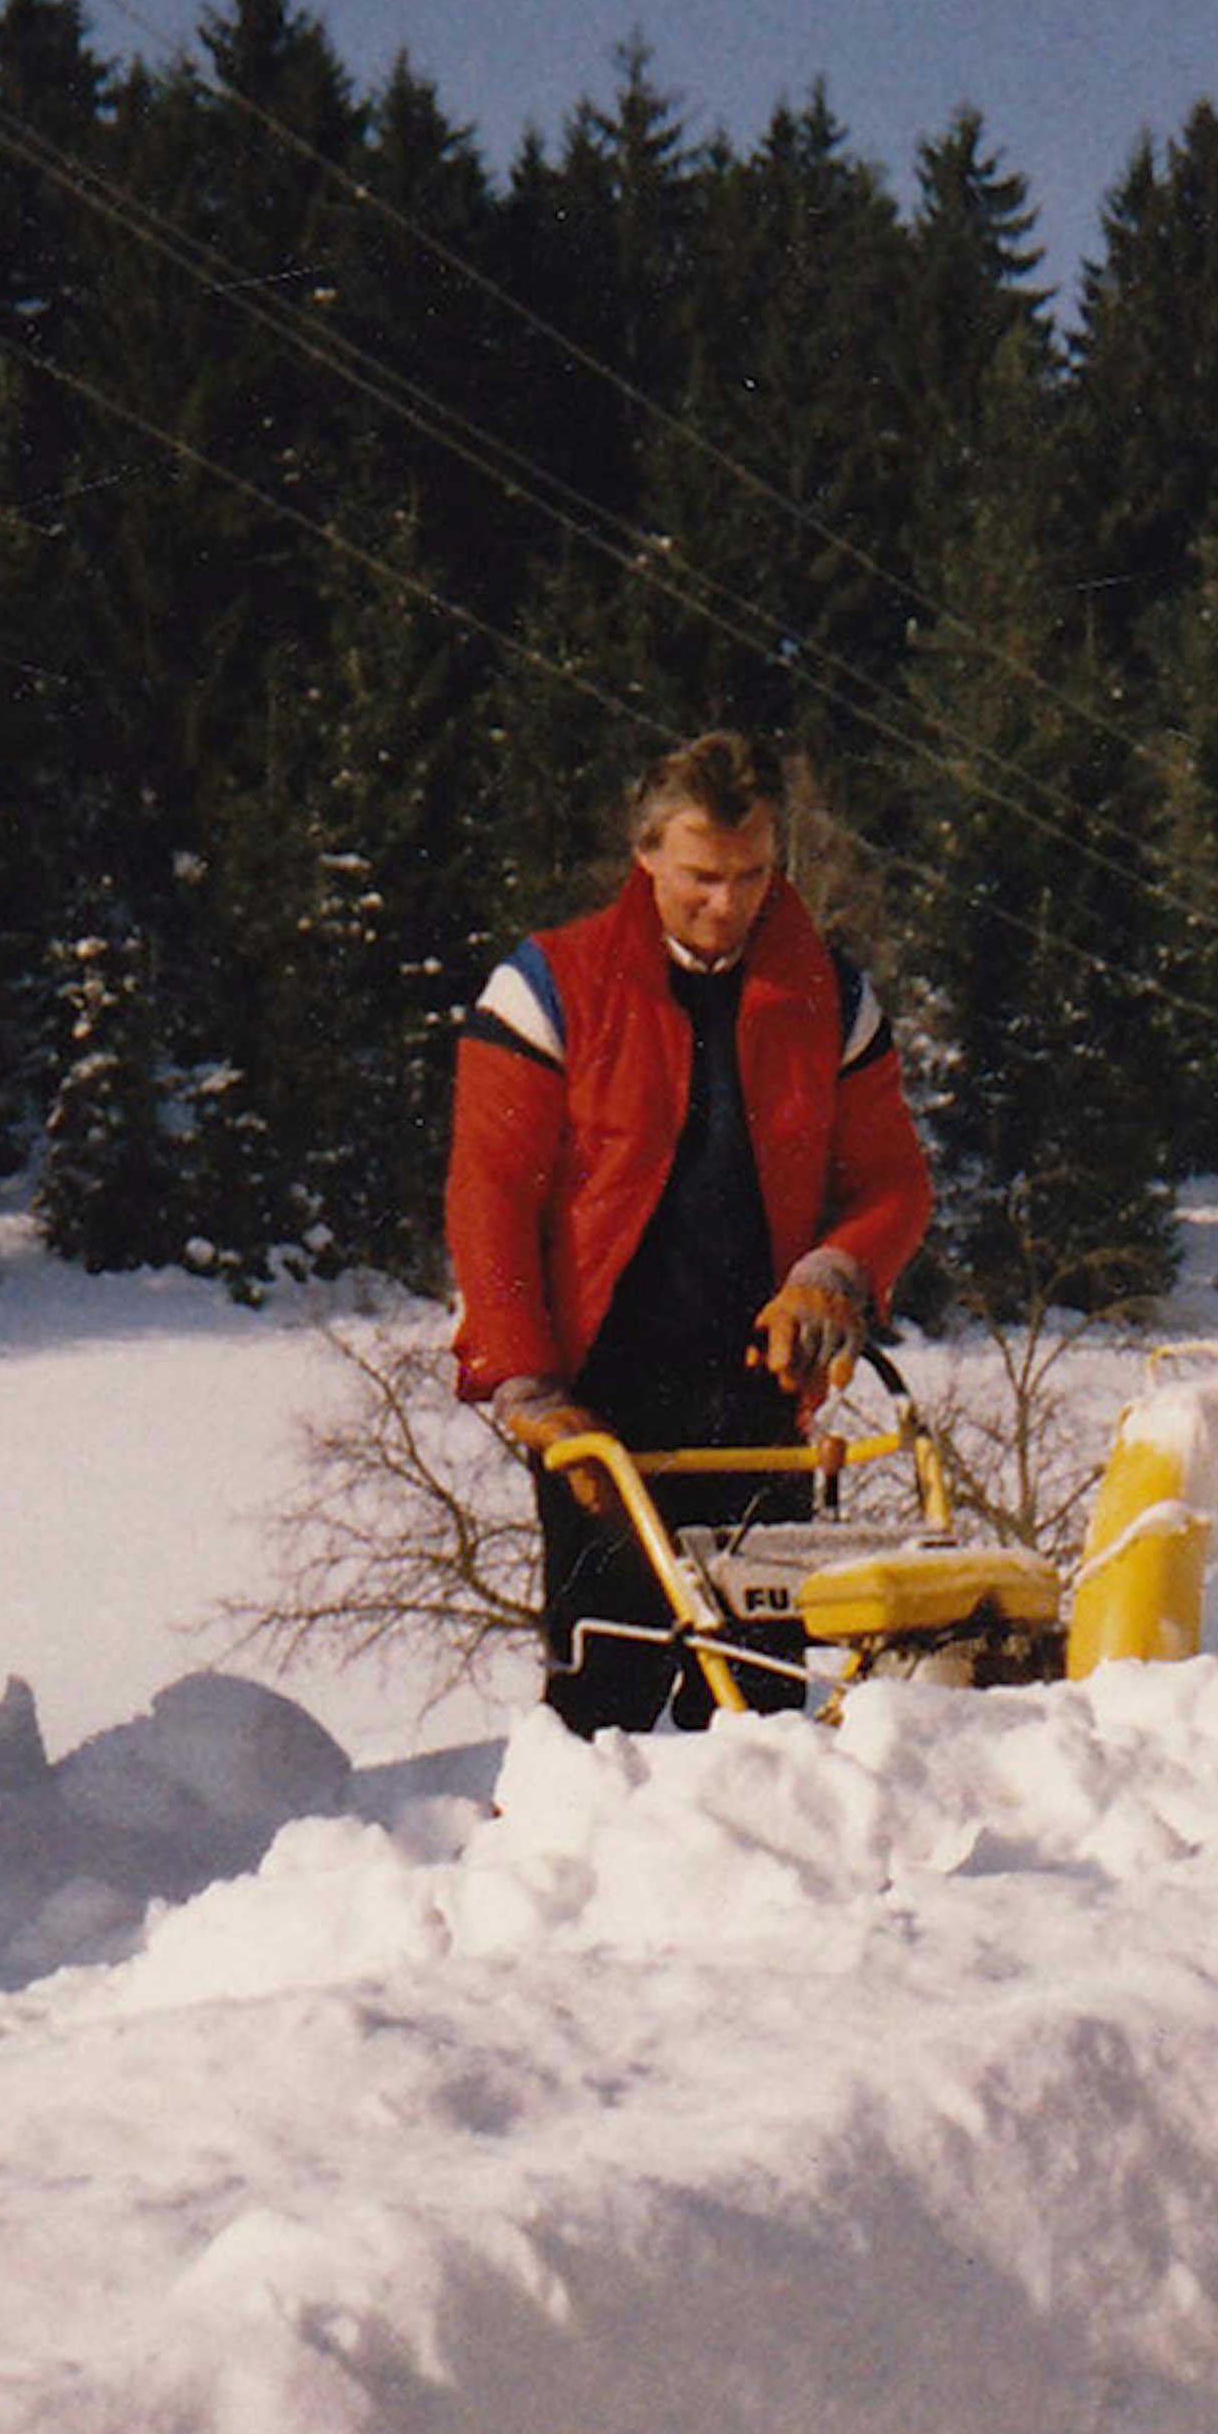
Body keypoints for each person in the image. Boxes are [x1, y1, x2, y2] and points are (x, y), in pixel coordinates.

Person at [445, 730, 931, 1733]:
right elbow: (489, 1195)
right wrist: (527, 1383)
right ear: (647, 857)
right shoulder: (550, 988)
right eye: (702, 877)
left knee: (763, 1700)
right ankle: (554, 1874)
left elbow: (890, 1180)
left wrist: (836, 1274)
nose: (729, 903)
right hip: (601, 1402)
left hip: (757, 1391)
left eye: (753, 875)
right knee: (604, 1690)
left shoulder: (828, 997)